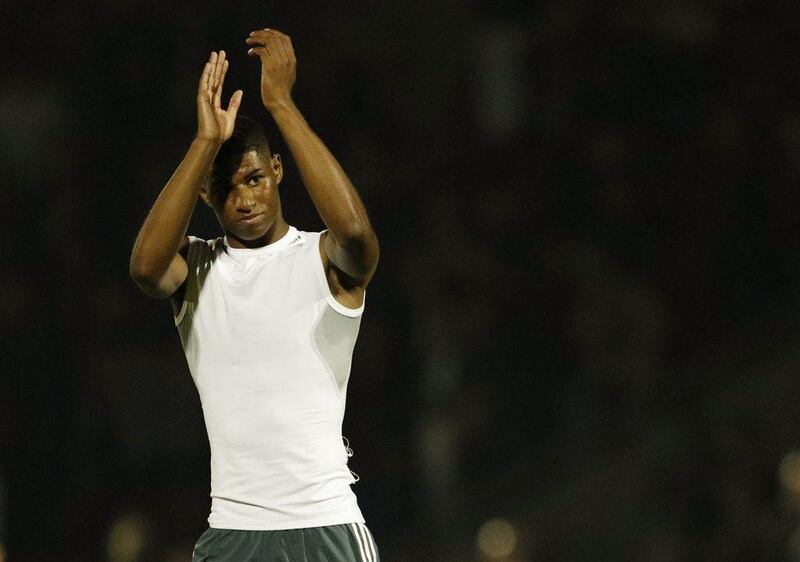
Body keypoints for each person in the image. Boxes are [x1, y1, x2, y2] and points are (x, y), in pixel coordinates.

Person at [129, 28, 381, 562]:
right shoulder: (198, 268)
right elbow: (146, 269)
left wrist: (282, 104)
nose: (243, 199)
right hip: (233, 531)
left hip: (325, 524)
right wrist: (204, 143)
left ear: (278, 171)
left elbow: (358, 236)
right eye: (224, 189)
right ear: (205, 195)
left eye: (254, 179)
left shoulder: (320, 258)